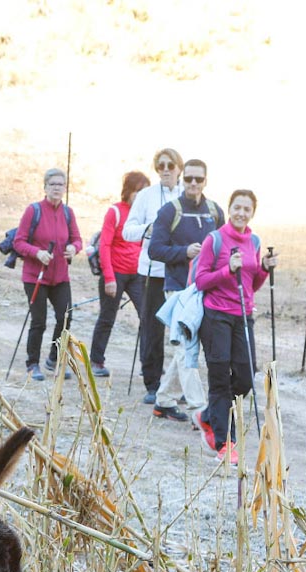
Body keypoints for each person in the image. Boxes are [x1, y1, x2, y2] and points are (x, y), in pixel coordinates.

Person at [190, 189, 276, 461]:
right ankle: (225, 443)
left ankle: (208, 415)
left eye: (246, 209)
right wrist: (227, 269)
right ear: (229, 209)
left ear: (252, 213)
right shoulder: (214, 240)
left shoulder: (255, 241)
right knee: (219, 378)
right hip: (215, 316)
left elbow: (253, 284)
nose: (241, 213)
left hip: (243, 316)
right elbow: (200, 280)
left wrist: (263, 268)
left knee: (244, 376)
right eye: (237, 207)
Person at [148, 158, 223, 425]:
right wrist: (184, 253)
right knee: (186, 349)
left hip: (205, 289)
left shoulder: (214, 211)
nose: (193, 184)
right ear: (183, 179)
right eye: (189, 178)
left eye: (198, 179)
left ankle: (164, 401)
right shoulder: (170, 211)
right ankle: (200, 410)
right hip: (179, 290)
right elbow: (154, 250)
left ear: (206, 180)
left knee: (186, 348)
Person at [122, 149, 184, 403]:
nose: (166, 169)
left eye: (170, 165)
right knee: (152, 328)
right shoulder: (146, 196)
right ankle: (152, 383)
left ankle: (178, 386)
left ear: (179, 167)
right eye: (160, 165)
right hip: (153, 270)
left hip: (182, 271)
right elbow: (128, 231)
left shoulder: (188, 196)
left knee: (183, 330)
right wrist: (149, 230)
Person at [12, 168, 83, 381]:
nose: (56, 188)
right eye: (52, 184)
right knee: (39, 321)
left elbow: (78, 239)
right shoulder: (33, 211)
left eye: (60, 184)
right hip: (36, 276)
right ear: (44, 187)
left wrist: (74, 248)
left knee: (65, 317)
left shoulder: (68, 213)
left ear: (65, 188)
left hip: (60, 276)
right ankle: (32, 363)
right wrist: (37, 253)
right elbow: (19, 242)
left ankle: (54, 358)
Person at [86, 170, 150, 377]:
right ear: (128, 191)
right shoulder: (115, 211)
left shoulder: (144, 215)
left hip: (137, 274)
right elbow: (104, 245)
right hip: (115, 273)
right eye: (138, 191)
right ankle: (96, 361)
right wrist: (110, 278)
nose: (140, 196)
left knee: (148, 318)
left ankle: (148, 364)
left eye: (145, 192)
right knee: (107, 317)